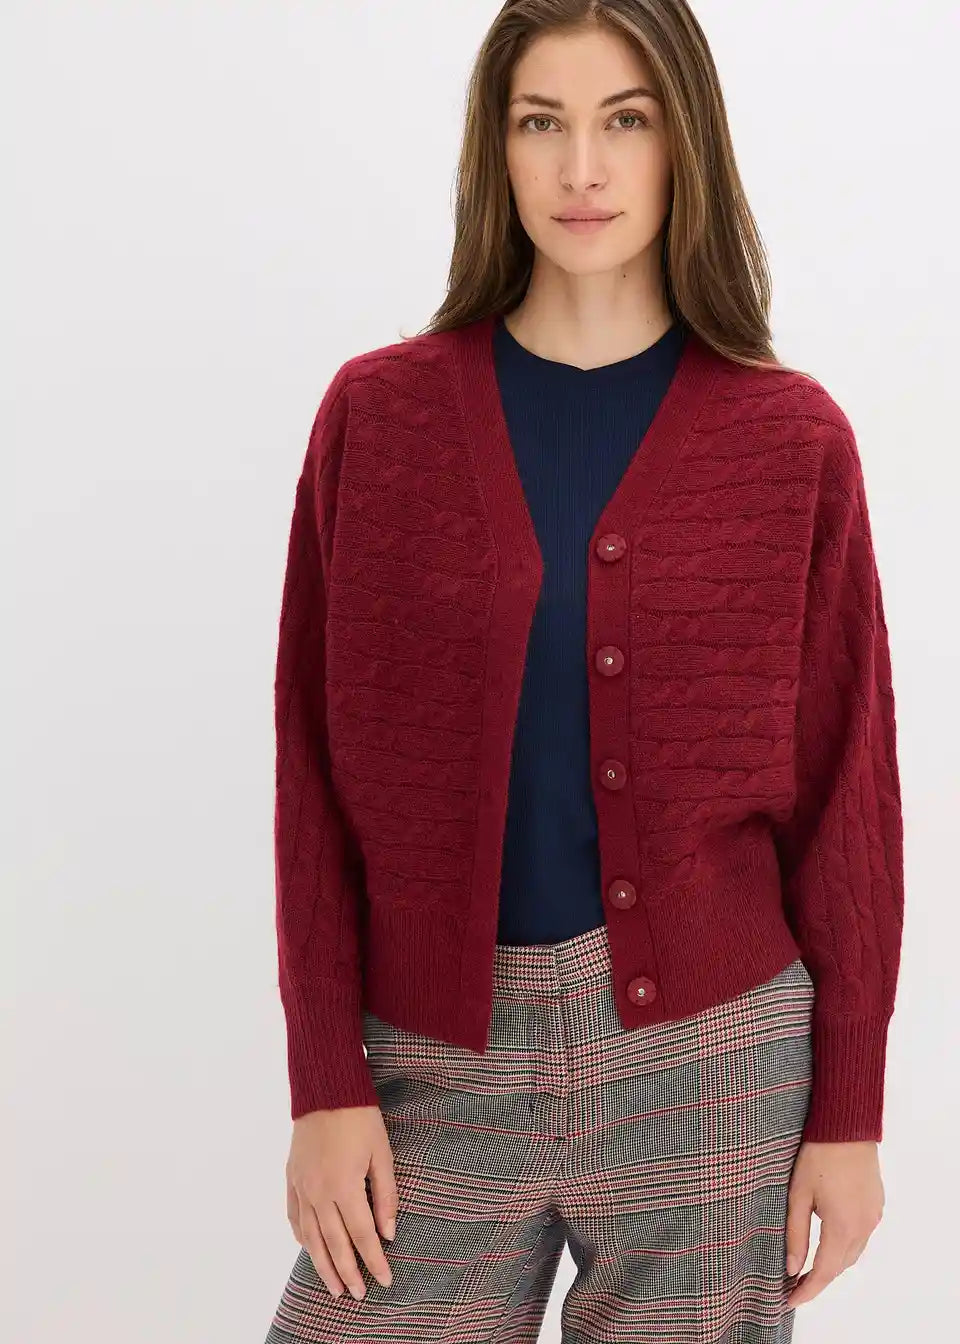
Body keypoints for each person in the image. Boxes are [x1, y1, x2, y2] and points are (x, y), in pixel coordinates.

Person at [263, 2, 904, 1340]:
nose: (583, 170)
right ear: (494, 151)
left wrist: (849, 1113)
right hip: (437, 1061)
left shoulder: (791, 442)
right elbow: (312, 771)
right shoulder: (378, 420)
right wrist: (325, 1080)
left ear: (686, 143)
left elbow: (851, 796)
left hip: (711, 1063)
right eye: (541, 123)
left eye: (626, 120)